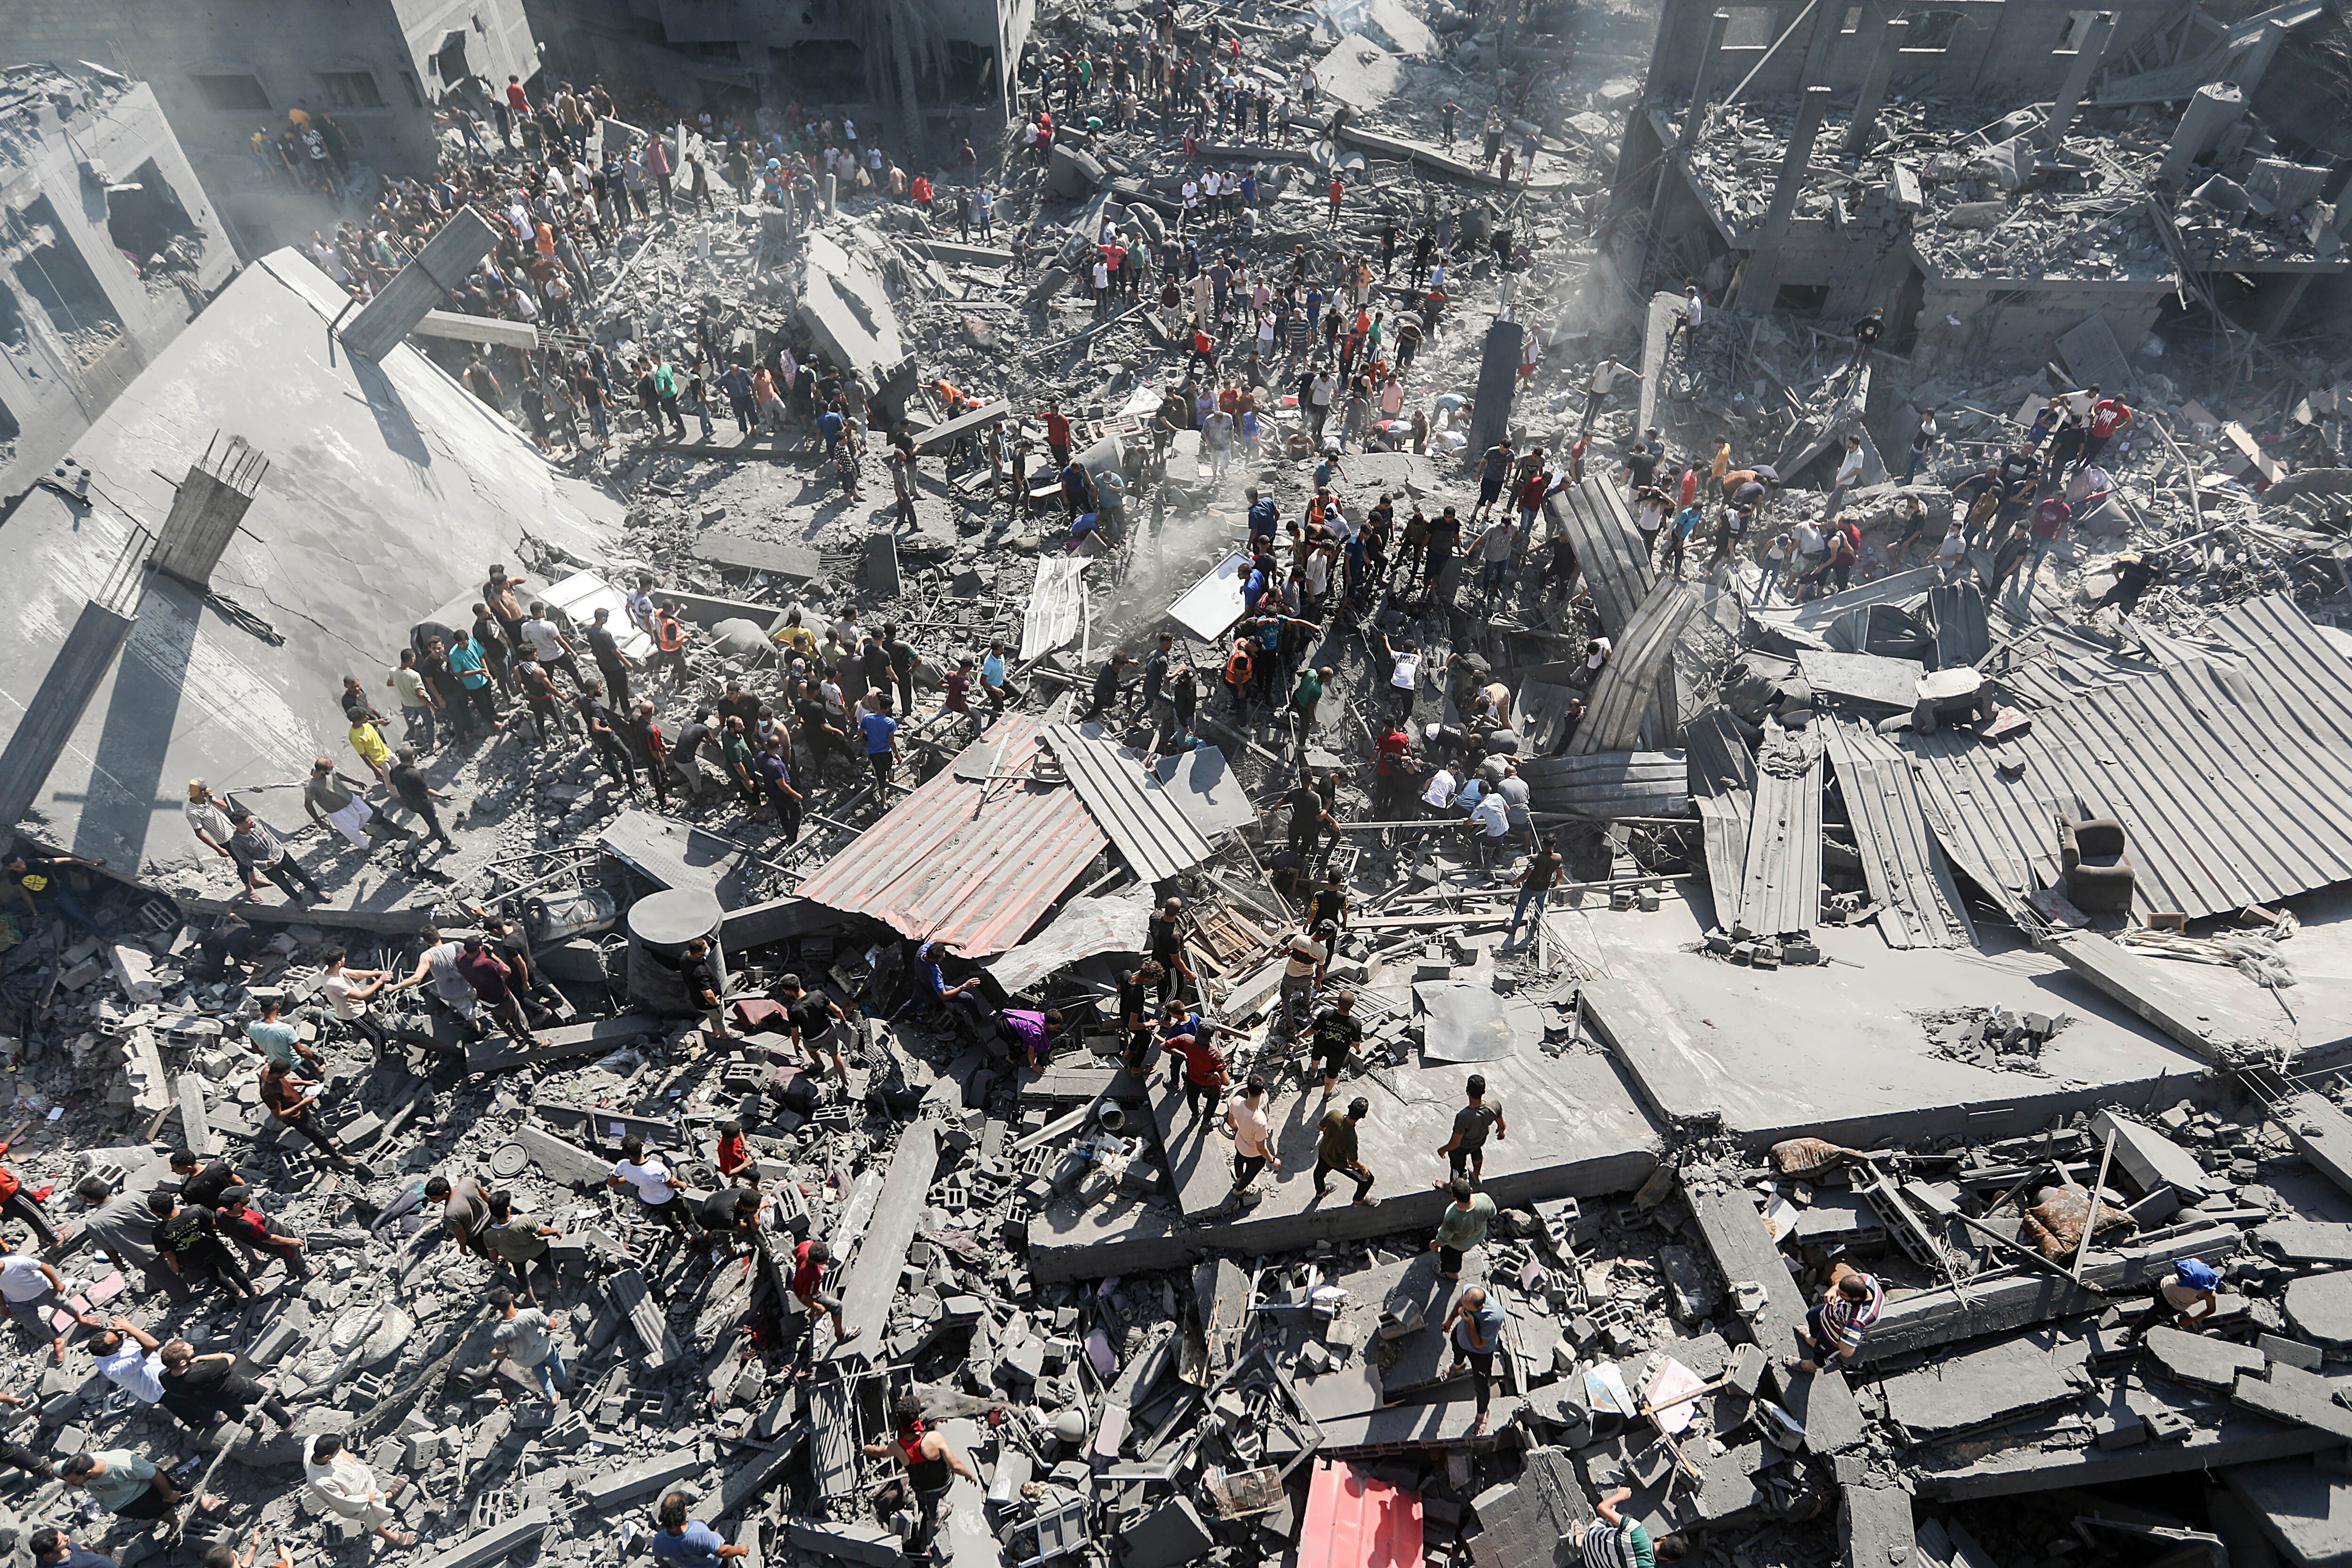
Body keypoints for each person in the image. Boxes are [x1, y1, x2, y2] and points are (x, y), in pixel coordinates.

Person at [861, 1393, 978, 1552]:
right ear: (918, 1416)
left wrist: (868, 1449)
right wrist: (970, 1475)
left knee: (928, 1502)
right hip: (944, 1484)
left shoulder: (897, 1447)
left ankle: (934, 1514)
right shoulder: (934, 1439)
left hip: (921, 1488)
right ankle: (938, 1515)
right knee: (936, 1500)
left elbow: (881, 1452)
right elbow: (955, 1465)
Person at [155, 1331, 297, 1433]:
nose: (192, 1346)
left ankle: (257, 1425)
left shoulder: (165, 1378)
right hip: (237, 1389)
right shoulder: (205, 1371)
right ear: (182, 1362)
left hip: (212, 1401)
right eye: (189, 1349)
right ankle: (286, 1422)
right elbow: (229, 1358)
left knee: (235, 1412)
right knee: (263, 1397)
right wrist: (199, 1359)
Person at [303, 1435, 416, 1548]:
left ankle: (385, 1497)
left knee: (375, 1494)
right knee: (370, 1515)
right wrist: (367, 1498)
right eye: (338, 1451)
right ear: (327, 1457)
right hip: (355, 1499)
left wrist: (343, 1452)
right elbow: (342, 1502)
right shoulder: (323, 1482)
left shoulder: (315, 1447)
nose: (341, 1451)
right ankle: (390, 1538)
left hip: (359, 1482)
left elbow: (311, 1438)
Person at [149, 1188, 257, 1298]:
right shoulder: (196, 1210)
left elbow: (169, 1254)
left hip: (193, 1259)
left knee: (214, 1274)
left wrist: (177, 1268)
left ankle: (239, 1294)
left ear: (155, 1212)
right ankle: (252, 1292)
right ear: (173, 1200)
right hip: (214, 1248)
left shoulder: (158, 1234)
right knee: (233, 1269)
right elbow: (216, 1224)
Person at [61, 1449, 208, 1527]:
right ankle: (174, 1521)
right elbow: (55, 1468)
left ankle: (198, 1498)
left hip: (144, 1492)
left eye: (73, 1482)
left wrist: (168, 1493)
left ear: (89, 1473)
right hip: (123, 1504)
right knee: (157, 1512)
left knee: (175, 1495)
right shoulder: (72, 1469)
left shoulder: (122, 1466)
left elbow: (154, 1473)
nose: (70, 1484)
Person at [1787, 1260, 1884, 1373]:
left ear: (1856, 1299)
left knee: (1821, 1354)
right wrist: (1833, 1290)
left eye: (1842, 1295)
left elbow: (1847, 1351)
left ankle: (1807, 1366)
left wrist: (1844, 1328)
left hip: (1833, 1336)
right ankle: (1813, 1340)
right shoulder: (1866, 1279)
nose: (1839, 1294)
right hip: (1830, 1312)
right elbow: (1847, 1281)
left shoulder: (1858, 1319)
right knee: (1811, 1316)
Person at [260, 1060, 355, 1167]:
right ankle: (339, 1158)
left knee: (316, 1131)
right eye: (286, 1072)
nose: (288, 1073)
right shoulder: (270, 1094)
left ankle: (324, 1148)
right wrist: (303, 1103)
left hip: (302, 1110)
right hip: (296, 1118)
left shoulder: (267, 1072)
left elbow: (284, 1081)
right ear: (278, 1073)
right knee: (318, 1134)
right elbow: (279, 1116)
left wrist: (305, 1083)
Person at [212, 1184, 310, 1284]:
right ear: (236, 1205)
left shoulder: (220, 1213)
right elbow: (269, 1239)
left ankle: (291, 1272)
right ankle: (304, 1274)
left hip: (271, 1232)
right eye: (245, 1196)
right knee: (291, 1253)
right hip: (274, 1238)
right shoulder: (249, 1223)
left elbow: (218, 1224)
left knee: (288, 1254)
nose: (248, 1195)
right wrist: (292, 1241)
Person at [225, 808, 323, 906]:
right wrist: (266, 863)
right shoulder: (236, 842)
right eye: (248, 821)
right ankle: (299, 901)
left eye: (250, 818)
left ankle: (317, 892)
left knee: (301, 874)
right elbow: (245, 860)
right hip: (268, 868)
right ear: (239, 825)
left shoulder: (256, 820)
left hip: (281, 855)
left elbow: (268, 832)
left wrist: (278, 845)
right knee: (284, 884)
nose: (251, 821)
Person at [489, 1286, 569, 1406]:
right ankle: (566, 1385)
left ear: (496, 1308)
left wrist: (494, 1354)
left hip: (526, 1360)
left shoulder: (498, 1333)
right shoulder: (531, 1313)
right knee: (556, 1363)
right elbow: (550, 1326)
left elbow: (503, 1354)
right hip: (544, 1350)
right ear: (512, 1297)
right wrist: (554, 1320)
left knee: (540, 1372)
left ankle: (553, 1396)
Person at [1441, 1285, 1504, 1433]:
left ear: (1481, 1306)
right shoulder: (1471, 1293)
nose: (1464, 1309)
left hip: (1481, 1353)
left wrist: (1470, 1322)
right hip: (1461, 1338)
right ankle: (1457, 1366)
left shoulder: (1493, 1317)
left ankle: (1482, 1414)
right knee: (1457, 1350)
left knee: (1481, 1386)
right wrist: (1451, 1319)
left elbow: (1479, 1343)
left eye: (1468, 1309)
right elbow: (1460, 1304)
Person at [610, 1136, 698, 1238]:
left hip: (649, 1199)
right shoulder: (656, 1167)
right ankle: (699, 1235)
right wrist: (683, 1184)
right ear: (642, 1145)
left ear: (626, 1153)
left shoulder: (622, 1166)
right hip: (668, 1197)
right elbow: (672, 1184)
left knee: (666, 1216)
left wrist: (632, 1178)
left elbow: (612, 1182)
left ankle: (678, 1232)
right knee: (686, 1214)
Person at [1, 1252, 82, 1362]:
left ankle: (80, 1318)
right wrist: (2, 1307)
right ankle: (56, 1341)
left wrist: (57, 1284)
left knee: (62, 1303)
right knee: (33, 1325)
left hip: (41, 1290)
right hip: (18, 1301)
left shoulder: (17, 1262)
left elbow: (43, 1266)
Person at [1583, 1487, 1688, 1566]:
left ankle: (1580, 1537)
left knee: (1625, 1518)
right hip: (1591, 1564)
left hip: (1590, 1537)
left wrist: (1621, 1495)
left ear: (1663, 1539)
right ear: (1670, 1561)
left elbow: (1601, 1508)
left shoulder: (1637, 1530)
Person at [777, 973, 852, 1082]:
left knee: (811, 1050)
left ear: (789, 991)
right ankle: (845, 1081)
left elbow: (795, 1033)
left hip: (812, 1040)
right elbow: (837, 1010)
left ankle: (818, 1064)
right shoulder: (818, 994)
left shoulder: (793, 1010)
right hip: (828, 1033)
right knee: (836, 1055)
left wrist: (796, 1047)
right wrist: (843, 1020)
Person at [1438, 1075, 1508, 1183]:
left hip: (1462, 1148)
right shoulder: (1494, 1106)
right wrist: (1501, 1133)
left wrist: (1444, 1149)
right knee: (1477, 1153)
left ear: (1467, 1092)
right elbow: (1502, 1125)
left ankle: (1453, 1186)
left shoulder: (1463, 1117)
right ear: (1484, 1091)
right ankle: (1477, 1174)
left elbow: (1456, 1144)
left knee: (1457, 1168)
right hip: (1479, 1141)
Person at [651, 1492, 748, 1568]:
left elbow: (660, 1555)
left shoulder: (658, 1541)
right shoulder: (699, 1533)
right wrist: (740, 1550)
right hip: (717, 1565)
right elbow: (722, 1552)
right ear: (684, 1511)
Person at [1428, 1175, 1497, 1279]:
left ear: (1454, 1197)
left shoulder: (1452, 1217)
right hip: (1479, 1236)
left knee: (1451, 1259)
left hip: (1457, 1245)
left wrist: (1434, 1245)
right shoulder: (1484, 1198)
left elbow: (1444, 1239)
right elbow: (1493, 1214)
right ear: (1471, 1189)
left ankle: (1450, 1274)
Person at [388, 747, 456, 851]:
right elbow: (427, 790)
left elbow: (392, 782)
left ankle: (433, 832)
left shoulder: (394, 770)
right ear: (412, 758)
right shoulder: (414, 774)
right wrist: (443, 796)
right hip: (422, 803)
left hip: (409, 803)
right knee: (434, 821)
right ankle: (446, 842)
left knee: (427, 818)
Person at [1225, 1075, 1279, 1205]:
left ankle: (1239, 1179)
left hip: (1239, 1143)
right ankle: (1239, 1190)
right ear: (1263, 1092)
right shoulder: (1260, 1121)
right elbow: (1261, 1148)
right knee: (1251, 1173)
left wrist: (1238, 1128)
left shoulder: (1236, 1101)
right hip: (1254, 1154)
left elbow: (1231, 1121)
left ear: (1247, 1090)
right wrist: (1273, 1160)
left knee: (1239, 1160)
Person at [1315, 1097, 1375, 1203]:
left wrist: (1329, 1133)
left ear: (1349, 1107)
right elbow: (1353, 1162)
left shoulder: (1334, 1114)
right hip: (1339, 1163)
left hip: (1324, 1153)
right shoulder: (1352, 1138)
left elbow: (1320, 1127)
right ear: (1363, 1117)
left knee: (1319, 1174)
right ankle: (1359, 1200)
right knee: (1368, 1180)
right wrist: (1362, 1166)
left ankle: (1321, 1192)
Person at [243, 991, 322, 1071]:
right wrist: (318, 1059)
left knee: (305, 1047)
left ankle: (317, 1069)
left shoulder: (253, 1026)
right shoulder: (286, 1028)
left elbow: (255, 1049)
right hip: (293, 1065)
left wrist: (271, 1053)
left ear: (261, 1010)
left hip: (276, 1063)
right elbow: (302, 1052)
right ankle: (317, 1072)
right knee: (305, 1050)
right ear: (278, 1007)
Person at [1307, 990, 1361, 1099]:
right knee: (1332, 1073)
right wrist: (1358, 1050)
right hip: (1338, 1052)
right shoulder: (1355, 1024)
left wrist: (1304, 1034)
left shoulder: (1326, 1014)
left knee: (1316, 1056)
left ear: (1338, 1003)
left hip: (1321, 1044)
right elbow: (1356, 1043)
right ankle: (1327, 1094)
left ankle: (1313, 1071)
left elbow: (1314, 1029)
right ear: (1351, 1007)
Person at [2150, 1256, 2222, 1330]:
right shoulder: (2194, 1262)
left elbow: (2211, 1309)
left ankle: (2170, 1321)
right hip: (2162, 1285)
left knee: (2150, 1318)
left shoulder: (2208, 1293)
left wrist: (2191, 1320)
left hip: (2172, 1305)